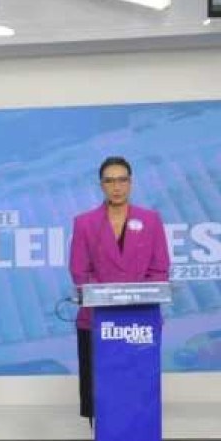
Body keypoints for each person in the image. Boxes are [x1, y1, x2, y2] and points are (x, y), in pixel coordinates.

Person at [68, 156, 172, 425]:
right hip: (96, 322)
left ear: (131, 183)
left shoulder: (151, 220)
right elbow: (80, 271)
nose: (117, 186)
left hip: (141, 322)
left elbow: (160, 270)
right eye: (109, 181)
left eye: (122, 180)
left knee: (138, 395)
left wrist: (133, 299)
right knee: (101, 397)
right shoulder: (85, 223)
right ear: (101, 185)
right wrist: (110, 298)